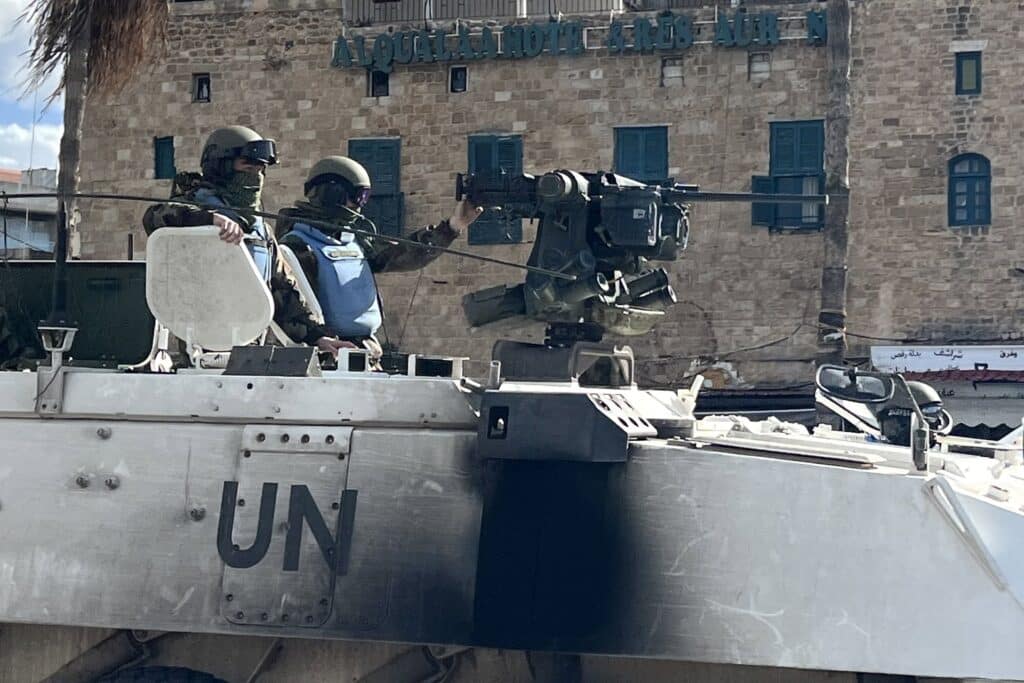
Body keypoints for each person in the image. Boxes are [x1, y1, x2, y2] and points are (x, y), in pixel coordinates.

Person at [142, 126, 352, 357]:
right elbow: (154, 217)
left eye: (260, 170)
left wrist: (318, 337)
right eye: (247, 168)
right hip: (201, 349)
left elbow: (283, 291)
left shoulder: (261, 232)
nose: (255, 177)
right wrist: (209, 219)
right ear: (221, 166)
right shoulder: (192, 208)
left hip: (250, 350)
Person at [276, 156, 482, 349]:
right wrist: (316, 338)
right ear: (332, 194)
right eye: (357, 196)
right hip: (327, 353)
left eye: (364, 197)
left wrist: (452, 227)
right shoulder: (298, 246)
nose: (360, 205)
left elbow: (402, 254)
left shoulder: (355, 240)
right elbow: (288, 305)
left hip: (366, 350)